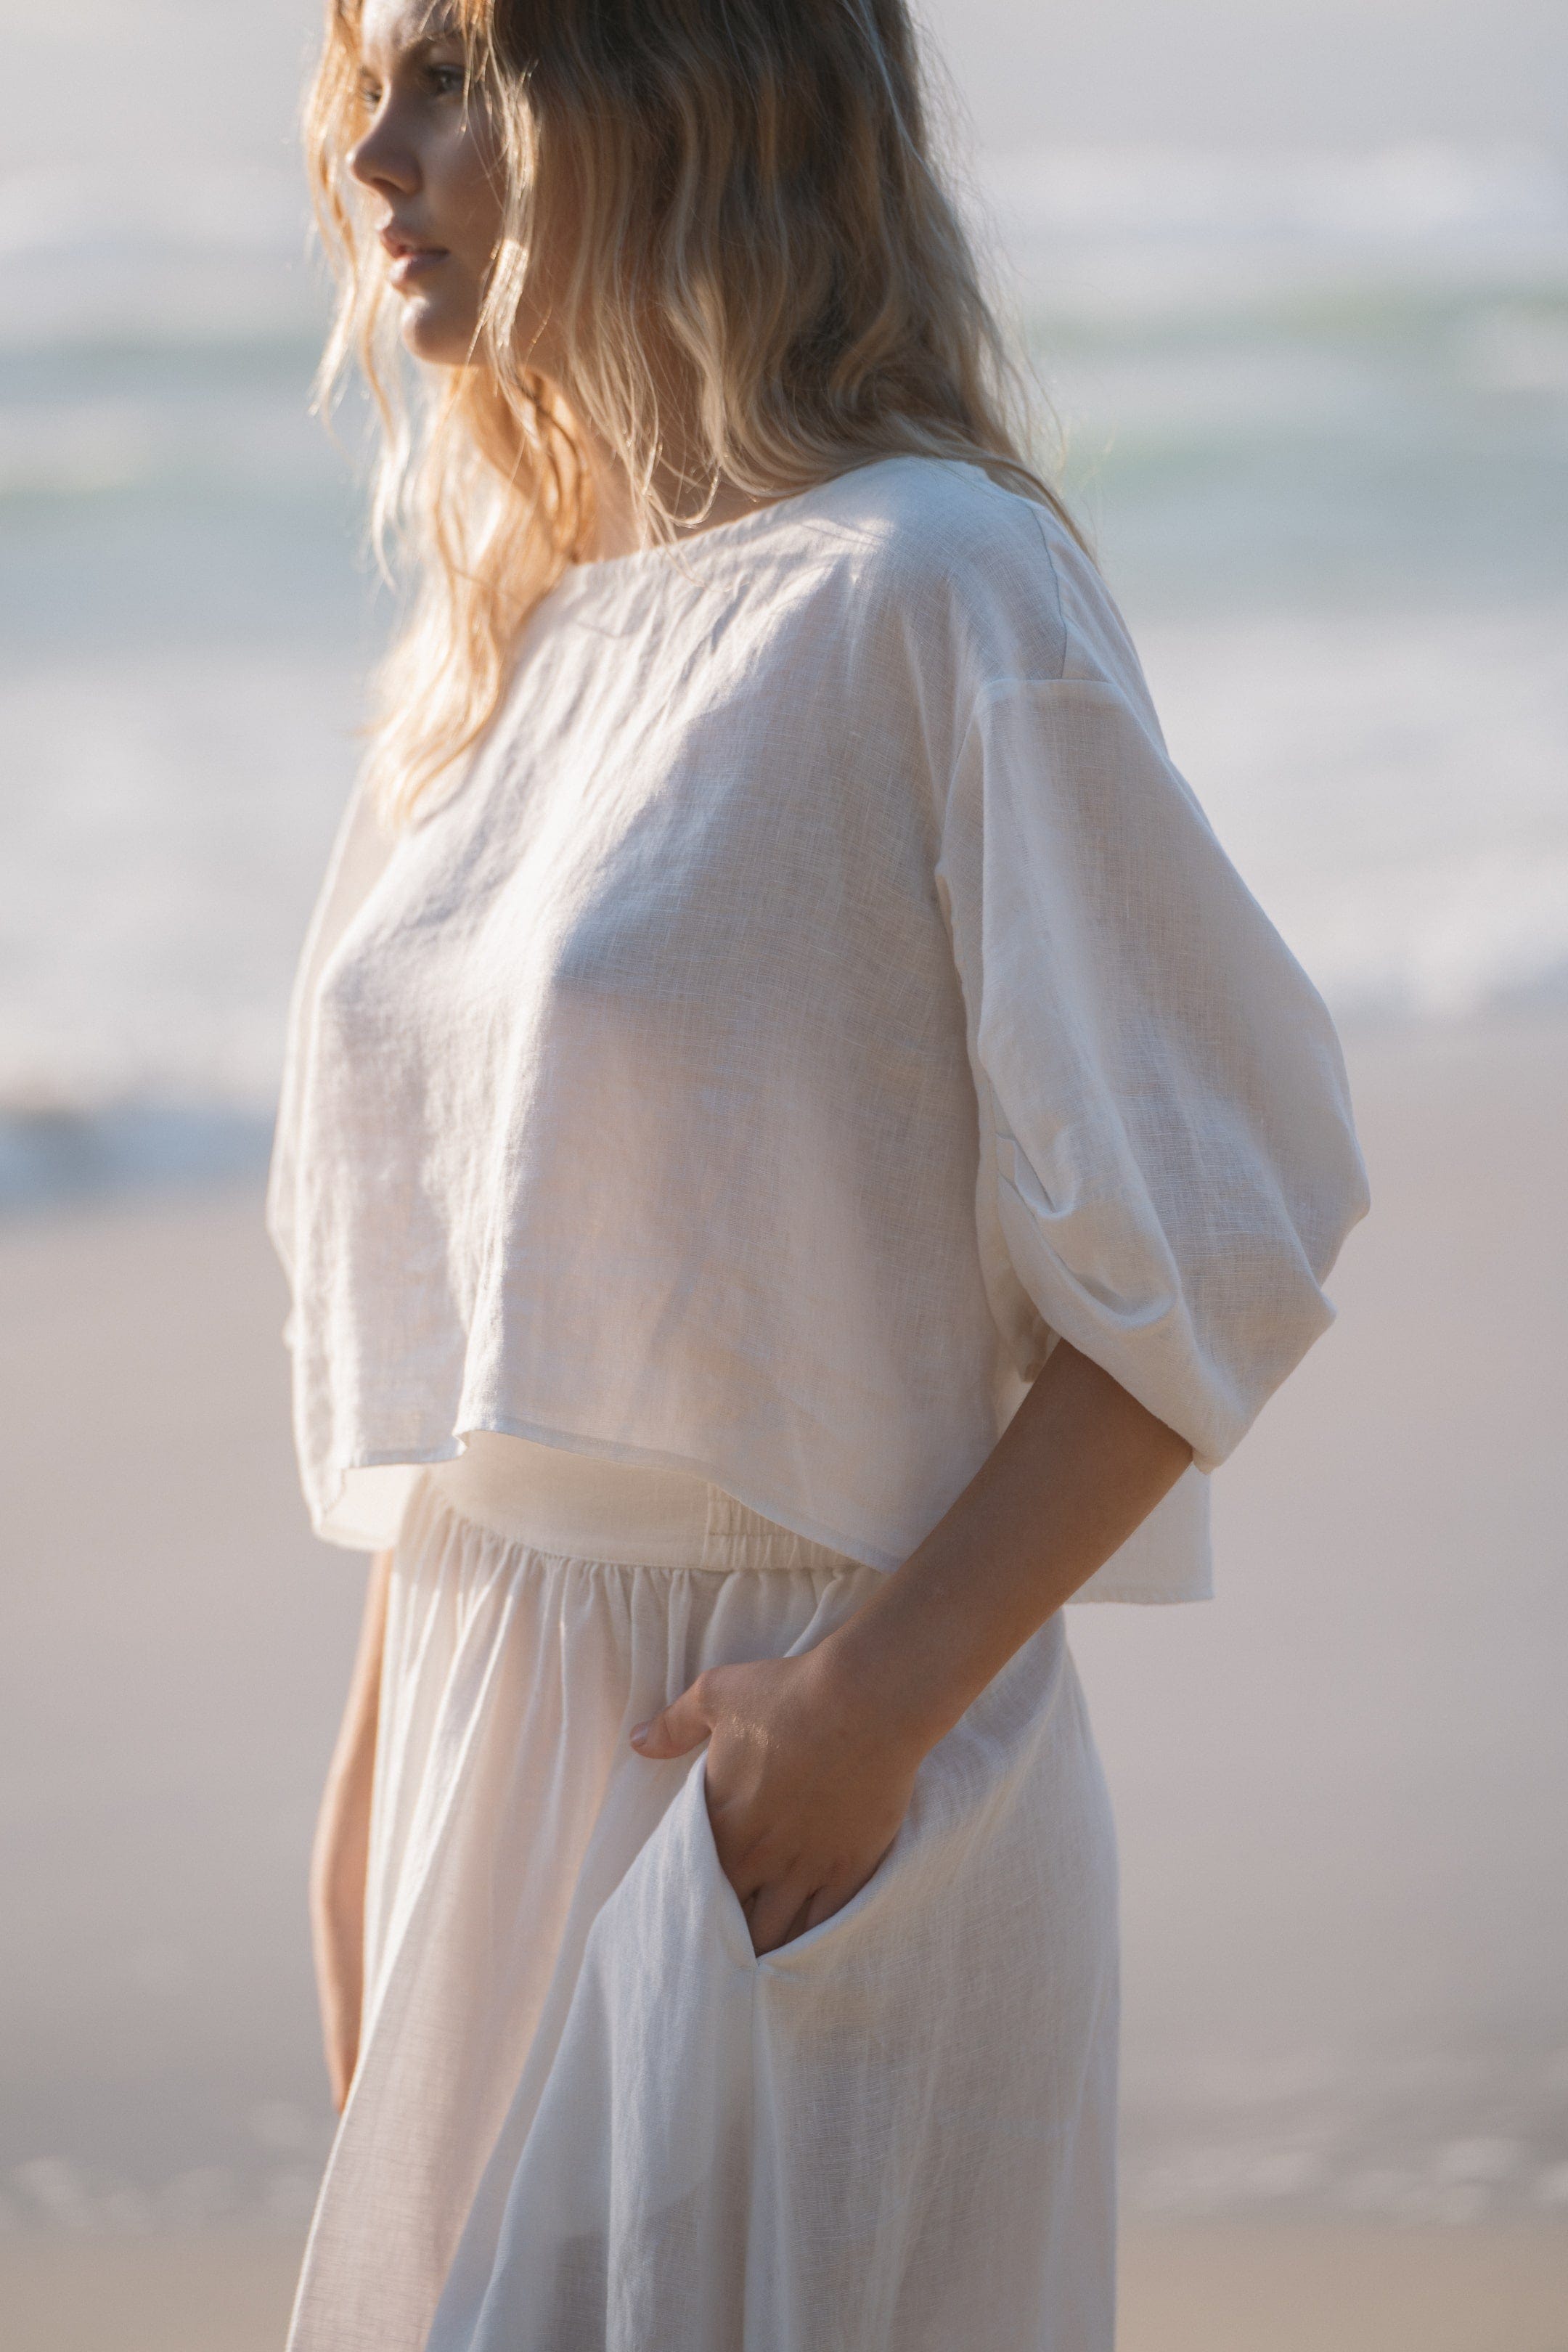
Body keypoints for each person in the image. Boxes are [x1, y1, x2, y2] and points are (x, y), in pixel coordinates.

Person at [268, 1, 1369, 2345]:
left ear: (696, 85)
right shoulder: (492, 658)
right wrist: (376, 1823)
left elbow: (1217, 1223)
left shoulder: (937, 588)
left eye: (460, 67)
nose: (379, 154)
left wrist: (865, 1715)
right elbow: (480, 1349)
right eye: (369, 77)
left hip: (797, 1785)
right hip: (487, 1773)